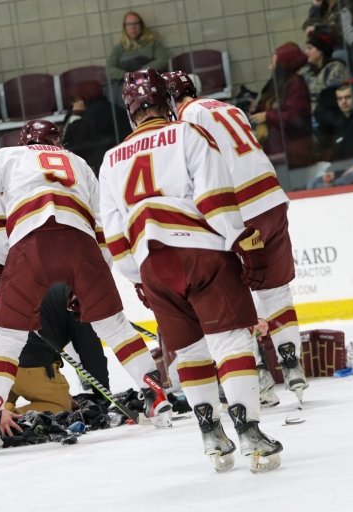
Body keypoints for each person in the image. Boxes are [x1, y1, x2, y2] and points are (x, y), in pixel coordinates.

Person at [0, 119, 172, 453]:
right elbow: (103, 229)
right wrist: (90, 281)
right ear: (58, 143)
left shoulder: (8, 157)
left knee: (8, 338)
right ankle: (156, 394)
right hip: (81, 245)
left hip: (30, 244)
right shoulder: (79, 163)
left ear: (24, 142)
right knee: (114, 326)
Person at [99, 69, 282, 473]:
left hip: (152, 264)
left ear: (130, 111)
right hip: (201, 253)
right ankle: (250, 433)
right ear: (166, 102)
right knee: (231, 343)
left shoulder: (110, 159)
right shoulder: (187, 134)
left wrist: (137, 276)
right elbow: (215, 199)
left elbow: (113, 232)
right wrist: (240, 242)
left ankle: (211, 435)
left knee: (190, 353)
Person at [163, 70, 310, 408]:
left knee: (235, 299)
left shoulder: (186, 119)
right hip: (272, 199)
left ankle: (259, 378)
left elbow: (196, 172)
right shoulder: (229, 108)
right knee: (276, 291)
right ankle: (292, 365)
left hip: (239, 209)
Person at [0, 197, 110, 413]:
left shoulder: (21, 273)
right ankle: (10, 417)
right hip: (30, 366)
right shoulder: (75, 292)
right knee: (60, 405)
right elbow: (89, 349)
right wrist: (103, 395)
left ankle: (0, 409)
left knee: (3, 395)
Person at [249, 43, 314, 169]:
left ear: (282, 65)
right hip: (279, 148)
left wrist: (267, 116)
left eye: (273, 62)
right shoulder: (278, 83)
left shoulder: (296, 84)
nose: (269, 66)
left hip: (293, 150)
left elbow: (294, 117)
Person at [62, 80, 131, 176]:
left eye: (76, 99)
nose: (74, 104)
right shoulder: (115, 109)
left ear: (83, 97)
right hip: (124, 164)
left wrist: (76, 115)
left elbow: (73, 142)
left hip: (102, 169)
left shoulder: (90, 116)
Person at [106, 12, 168, 106]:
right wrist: (127, 75)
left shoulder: (153, 43)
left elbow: (163, 61)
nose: (133, 27)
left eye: (136, 23)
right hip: (127, 82)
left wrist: (142, 72)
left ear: (141, 25)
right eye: (129, 24)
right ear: (125, 28)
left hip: (148, 78)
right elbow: (109, 69)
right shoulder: (119, 48)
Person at [301, 28, 351, 117]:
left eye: (309, 48)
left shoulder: (336, 67)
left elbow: (327, 96)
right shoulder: (307, 69)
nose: (305, 52)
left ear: (321, 51)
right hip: (311, 114)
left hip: (331, 114)